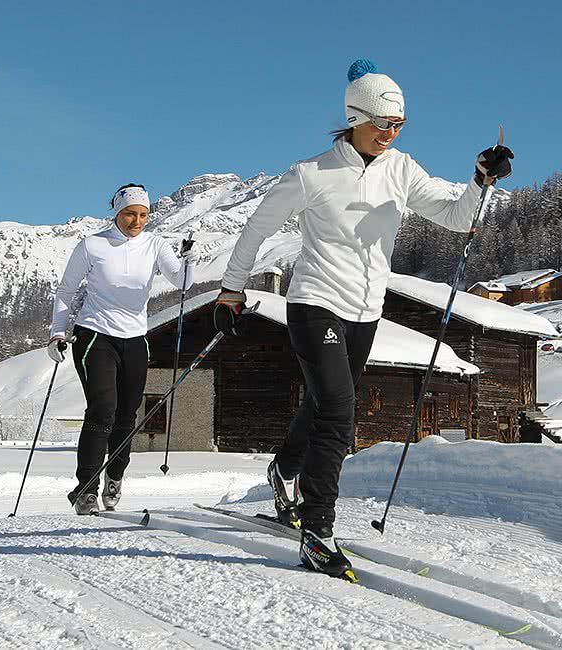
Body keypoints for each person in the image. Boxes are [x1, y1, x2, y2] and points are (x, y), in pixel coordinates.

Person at [215, 59, 514, 579]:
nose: (390, 134)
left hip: (366, 311)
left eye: (399, 125)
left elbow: (458, 217)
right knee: (339, 411)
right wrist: (230, 291)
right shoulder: (310, 174)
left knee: (326, 401)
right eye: (382, 125)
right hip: (314, 302)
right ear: (355, 117)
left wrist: (480, 179)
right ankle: (318, 529)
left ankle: (284, 469)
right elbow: (254, 231)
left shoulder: (402, 169)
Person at [48, 183, 190, 515]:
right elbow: (67, 290)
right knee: (103, 409)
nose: (136, 221)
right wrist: (57, 333)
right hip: (95, 335)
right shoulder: (92, 245)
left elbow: (182, 282)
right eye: (130, 214)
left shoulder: (155, 245)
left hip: (135, 338)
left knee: (127, 414)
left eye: (143, 214)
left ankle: (115, 475)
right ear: (117, 213)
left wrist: (188, 259)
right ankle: (85, 489)